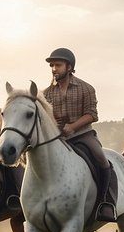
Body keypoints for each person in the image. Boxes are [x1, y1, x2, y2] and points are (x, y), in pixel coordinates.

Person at [42, 47, 117, 222]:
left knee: (102, 161)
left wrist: (73, 127)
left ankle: (106, 203)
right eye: (52, 66)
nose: (54, 69)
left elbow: (92, 114)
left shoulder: (86, 88)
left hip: (83, 135)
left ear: (69, 67)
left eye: (58, 65)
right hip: (57, 138)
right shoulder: (46, 93)